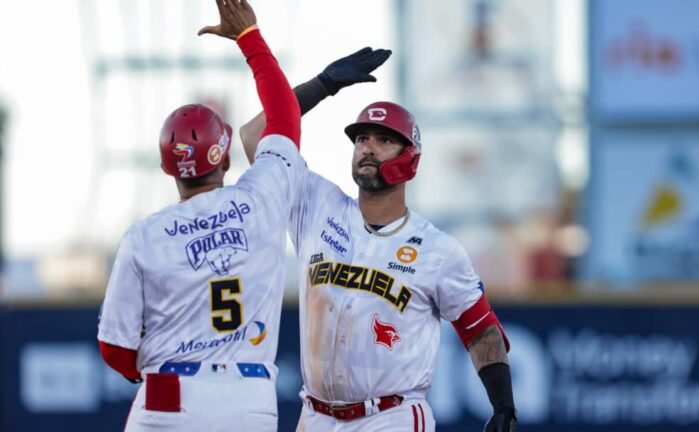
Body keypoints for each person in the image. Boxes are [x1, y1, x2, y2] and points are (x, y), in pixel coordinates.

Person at [241, 53, 517, 432]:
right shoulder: (317, 204)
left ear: (410, 159)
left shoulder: (438, 250)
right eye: (362, 139)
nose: (367, 147)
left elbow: (480, 329)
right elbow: (255, 137)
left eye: (384, 140)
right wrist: (323, 85)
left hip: (391, 416)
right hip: (316, 416)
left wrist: (503, 405)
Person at [96, 1, 306, 431]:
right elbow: (284, 118)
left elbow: (114, 349)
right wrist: (250, 38)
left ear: (166, 167)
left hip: (169, 395)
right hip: (248, 400)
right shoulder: (262, 199)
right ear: (225, 157)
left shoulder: (144, 237)